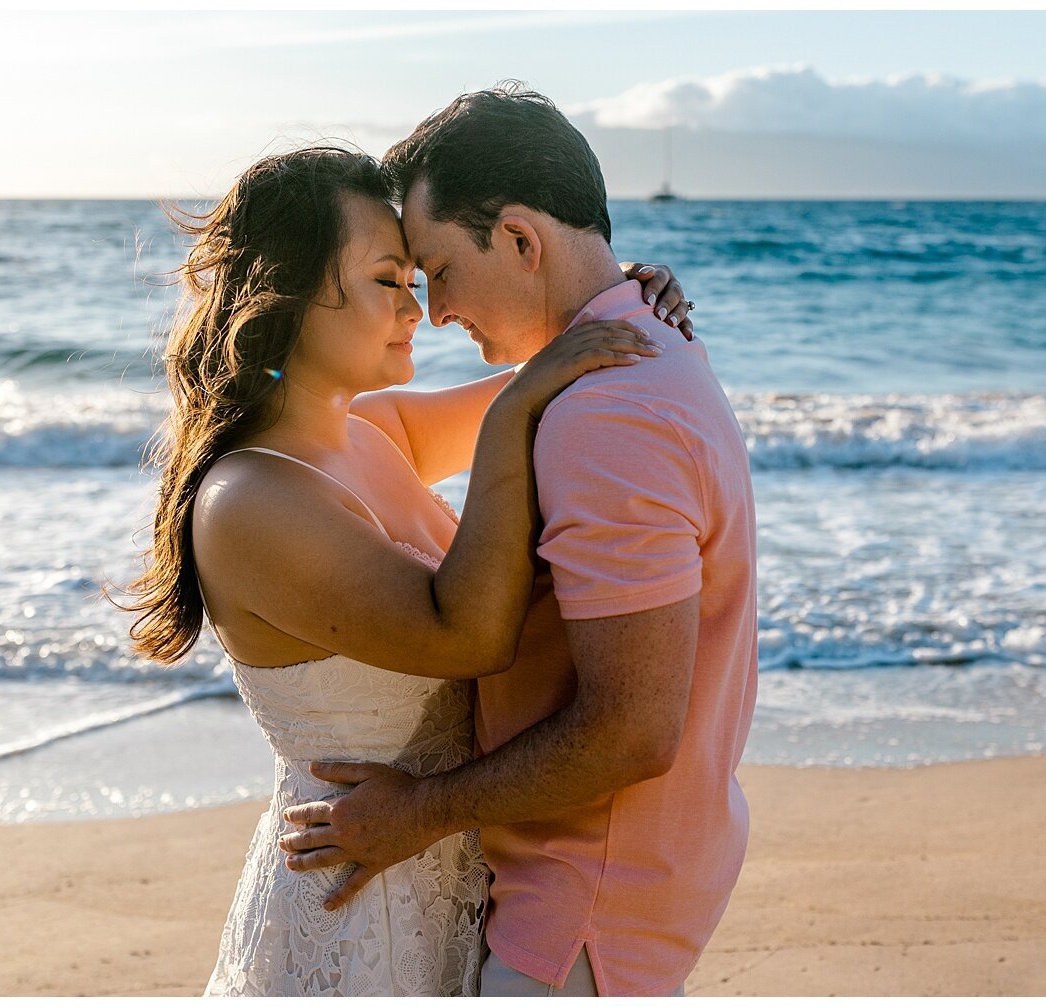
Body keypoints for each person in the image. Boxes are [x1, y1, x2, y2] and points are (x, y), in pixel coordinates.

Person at [120, 145, 692, 995]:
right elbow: (470, 632)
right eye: (390, 279)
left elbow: (555, 373)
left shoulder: (371, 431)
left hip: (452, 875)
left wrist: (621, 295)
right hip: (357, 908)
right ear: (294, 291)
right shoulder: (248, 501)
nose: (418, 308)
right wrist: (511, 427)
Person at [277, 85, 759, 997]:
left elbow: (630, 729)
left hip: (586, 911)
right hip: (602, 887)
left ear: (523, 241)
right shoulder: (630, 356)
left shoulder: (607, 414)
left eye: (438, 269)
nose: (435, 308)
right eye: (401, 281)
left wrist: (418, 812)